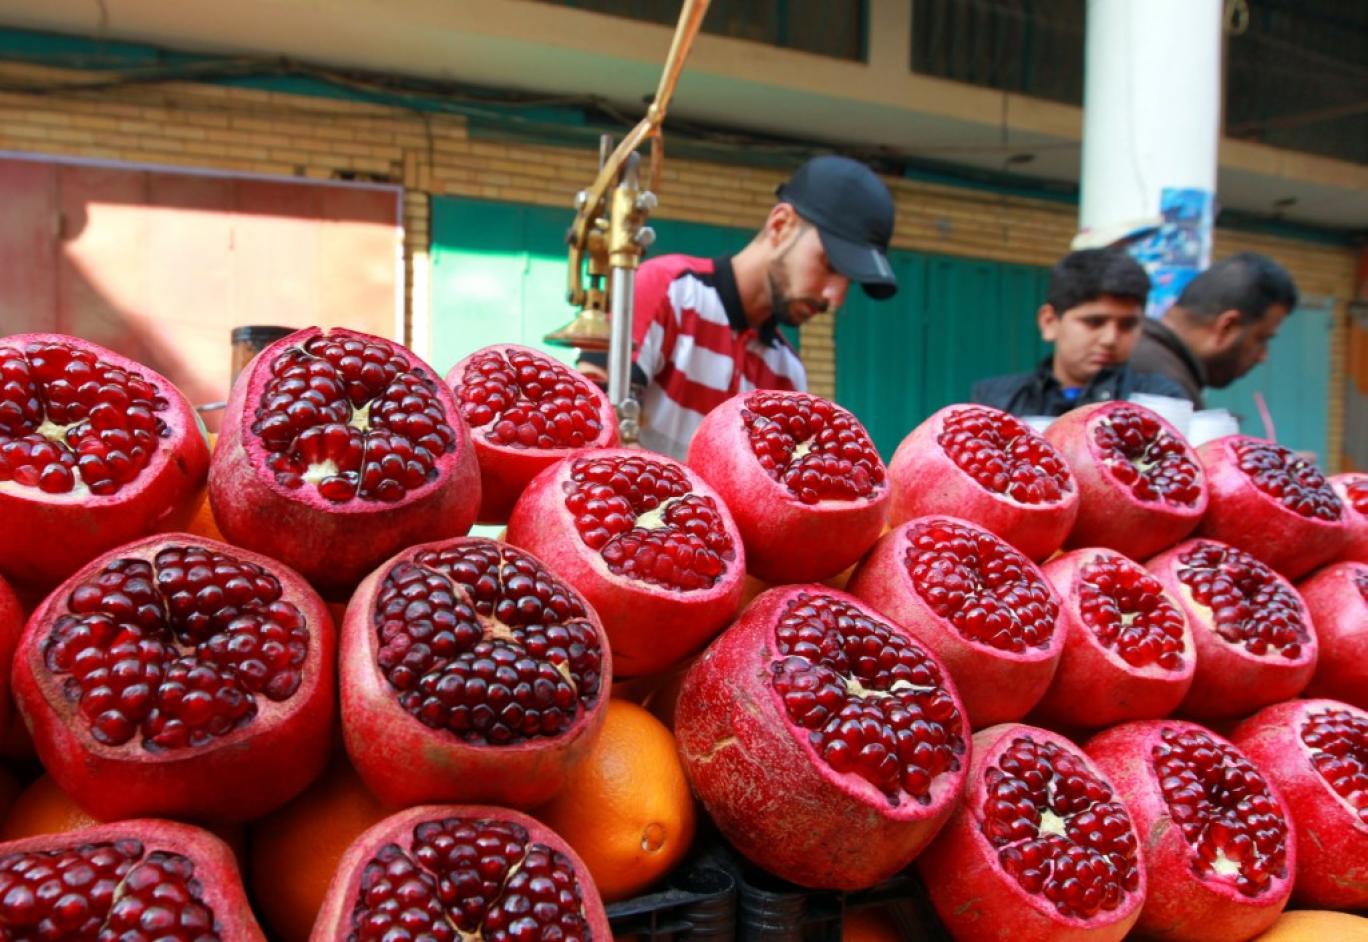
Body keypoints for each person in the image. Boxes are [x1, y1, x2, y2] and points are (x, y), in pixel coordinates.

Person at [587, 154, 898, 460]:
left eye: (850, 282)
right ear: (781, 224)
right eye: (829, 264)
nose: (836, 298)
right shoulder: (670, 290)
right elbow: (595, 425)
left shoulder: (787, 375)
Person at [971, 248, 1188, 417]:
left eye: (1127, 325)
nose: (1110, 339)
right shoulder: (996, 400)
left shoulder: (1161, 401)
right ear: (1050, 322)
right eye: (1094, 322)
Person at [1129, 252, 1298, 408]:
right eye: (1261, 338)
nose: (1263, 356)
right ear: (1226, 326)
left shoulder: (1137, 356)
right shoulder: (1165, 392)